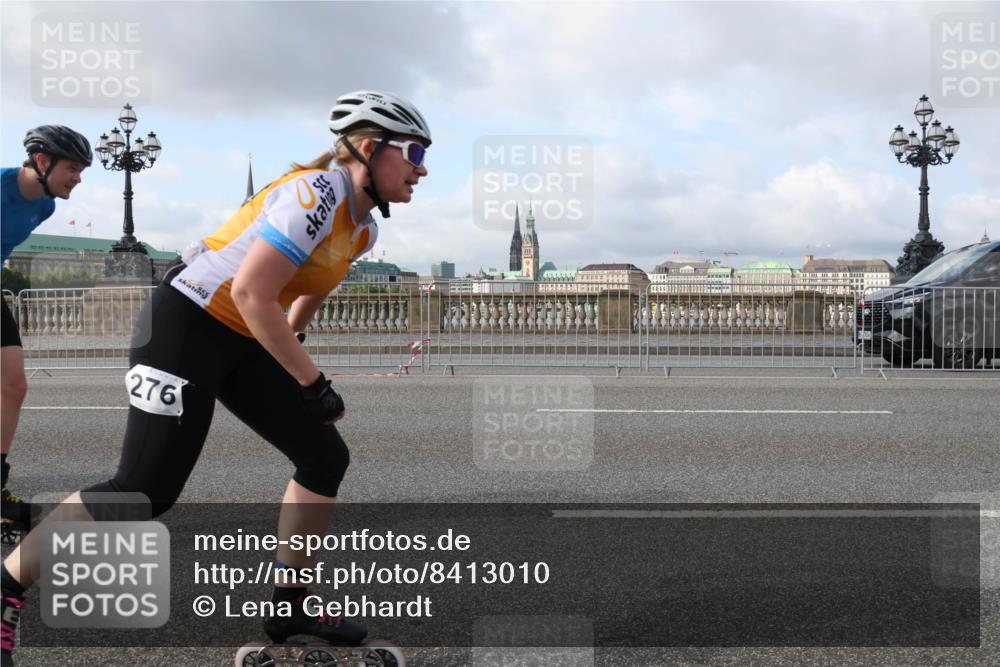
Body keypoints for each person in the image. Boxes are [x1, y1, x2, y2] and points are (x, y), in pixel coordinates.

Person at [0, 91, 431, 664]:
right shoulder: (315, 193)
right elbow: (253, 291)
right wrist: (313, 384)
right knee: (142, 491)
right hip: (184, 323)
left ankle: (290, 604)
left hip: (243, 334)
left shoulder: (362, 230)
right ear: (371, 148)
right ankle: (6, 589)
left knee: (324, 458)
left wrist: (294, 366)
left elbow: (298, 300)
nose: (422, 168)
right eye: (415, 151)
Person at [1, 126, 92, 545]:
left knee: (14, 384)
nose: (77, 177)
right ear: (42, 161)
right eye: (73, 168)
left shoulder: (47, 207)